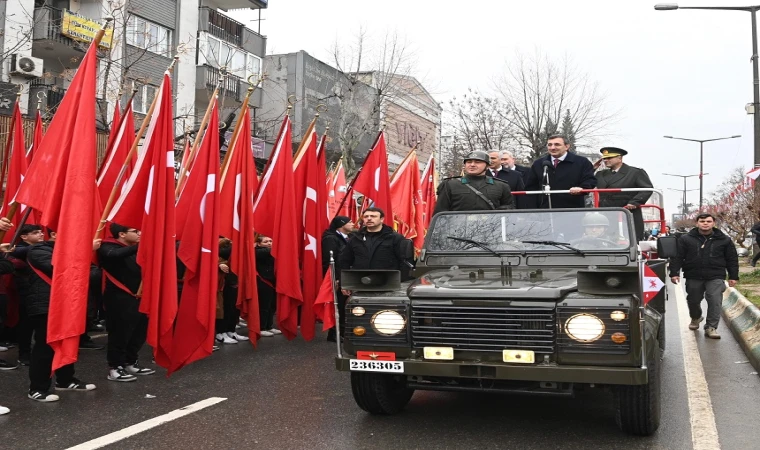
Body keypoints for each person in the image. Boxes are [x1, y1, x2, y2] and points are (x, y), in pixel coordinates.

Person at [26, 230, 99, 402]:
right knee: (45, 347)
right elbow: (60, 269)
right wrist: (85, 253)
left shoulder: (74, 252)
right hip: (46, 304)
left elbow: (92, 273)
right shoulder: (38, 250)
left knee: (68, 341)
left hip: (69, 304)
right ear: (53, 234)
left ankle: (65, 380)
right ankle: (37, 388)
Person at [98, 223, 154, 382]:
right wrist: (142, 245)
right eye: (135, 231)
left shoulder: (136, 248)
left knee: (139, 331)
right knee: (120, 333)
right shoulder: (107, 246)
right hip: (119, 297)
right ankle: (115, 367)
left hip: (140, 295)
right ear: (122, 234)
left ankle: (130, 361)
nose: (139, 234)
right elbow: (114, 256)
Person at [669, 213, 739, 339]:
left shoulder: (724, 240)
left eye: (708, 221)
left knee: (714, 300)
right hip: (694, 274)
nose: (705, 223)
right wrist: (674, 273)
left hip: (715, 275)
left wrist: (733, 276)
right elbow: (678, 256)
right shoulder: (686, 239)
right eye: (702, 221)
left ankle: (711, 327)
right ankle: (696, 317)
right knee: (693, 300)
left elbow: (732, 259)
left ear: (713, 223)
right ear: (697, 223)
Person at [339, 207, 413, 296]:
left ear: (381, 219)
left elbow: (404, 262)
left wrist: (401, 281)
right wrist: (344, 284)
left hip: (389, 286)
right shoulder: (355, 239)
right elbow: (345, 261)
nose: (369, 218)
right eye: (366, 216)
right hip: (360, 284)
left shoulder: (395, 238)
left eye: (373, 216)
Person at [594, 147, 654, 241]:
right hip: (605, 213)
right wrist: (591, 169)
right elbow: (587, 183)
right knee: (605, 240)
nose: (606, 160)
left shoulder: (635, 172)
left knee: (630, 240)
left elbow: (647, 189)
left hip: (627, 212)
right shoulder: (600, 174)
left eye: (609, 158)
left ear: (619, 158)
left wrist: (635, 202)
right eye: (604, 158)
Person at [524, 134, 597, 208]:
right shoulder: (539, 164)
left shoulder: (581, 162)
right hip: (544, 211)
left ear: (567, 146)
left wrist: (582, 188)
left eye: (557, 145)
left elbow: (590, 180)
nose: (552, 148)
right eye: (549, 145)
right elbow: (531, 188)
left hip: (573, 210)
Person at [434, 151, 514, 214]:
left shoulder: (501, 186)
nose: (472, 165)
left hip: (491, 229)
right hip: (458, 230)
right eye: (469, 162)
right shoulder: (449, 184)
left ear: (487, 166)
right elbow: (441, 212)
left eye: (477, 162)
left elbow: (509, 210)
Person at [321, 216, 355, 342]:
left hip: (348, 275)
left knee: (346, 305)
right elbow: (330, 260)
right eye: (349, 222)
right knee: (339, 305)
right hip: (337, 276)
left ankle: (345, 331)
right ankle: (335, 333)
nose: (352, 224)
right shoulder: (331, 238)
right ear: (341, 225)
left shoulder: (350, 238)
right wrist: (334, 278)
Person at [215, 238, 249, 344]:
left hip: (234, 281)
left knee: (233, 308)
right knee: (223, 309)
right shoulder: (223, 243)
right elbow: (221, 252)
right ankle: (220, 333)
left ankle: (231, 330)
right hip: (223, 283)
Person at [255, 236, 281, 337]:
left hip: (273, 281)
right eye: (266, 242)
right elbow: (265, 252)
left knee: (272, 305)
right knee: (264, 306)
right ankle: (261, 327)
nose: (269, 243)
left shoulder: (272, 251)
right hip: (263, 281)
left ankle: (269, 326)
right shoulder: (257, 251)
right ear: (259, 244)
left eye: (271, 241)